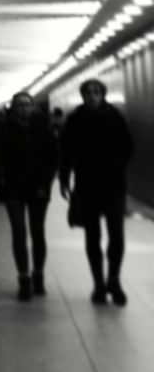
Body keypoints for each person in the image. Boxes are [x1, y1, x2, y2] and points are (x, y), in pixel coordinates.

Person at [60, 79, 134, 306]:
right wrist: (64, 178)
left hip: (113, 185)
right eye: (88, 92)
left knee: (117, 236)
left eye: (96, 92)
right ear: (82, 96)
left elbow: (128, 146)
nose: (92, 96)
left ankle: (114, 279)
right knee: (92, 236)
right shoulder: (75, 119)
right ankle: (99, 284)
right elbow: (66, 150)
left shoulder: (115, 117)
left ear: (103, 94)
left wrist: (115, 163)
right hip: (87, 186)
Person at [0, 91, 58, 300]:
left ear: (32, 106)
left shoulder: (43, 129)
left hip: (38, 187)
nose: (23, 108)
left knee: (37, 232)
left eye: (27, 104)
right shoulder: (4, 129)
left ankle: (38, 275)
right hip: (13, 188)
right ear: (13, 107)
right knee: (19, 232)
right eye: (19, 105)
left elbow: (53, 159)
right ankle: (24, 279)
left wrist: (45, 183)